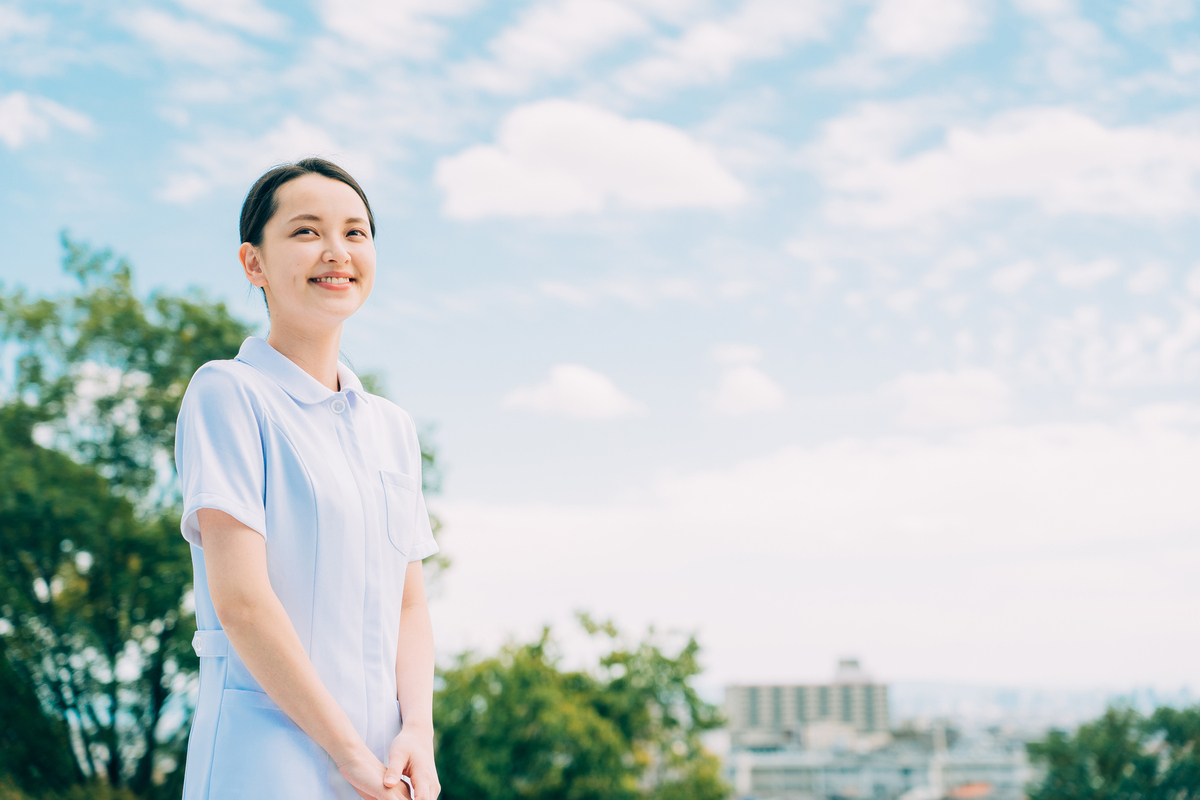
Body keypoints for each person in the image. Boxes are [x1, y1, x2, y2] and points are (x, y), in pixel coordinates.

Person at [174, 158, 440, 800]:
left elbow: (408, 603)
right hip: (265, 760)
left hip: (383, 767)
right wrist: (346, 752)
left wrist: (418, 733)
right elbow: (241, 603)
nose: (336, 251)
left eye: (355, 232)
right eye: (305, 232)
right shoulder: (229, 392)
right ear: (253, 263)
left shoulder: (393, 427)